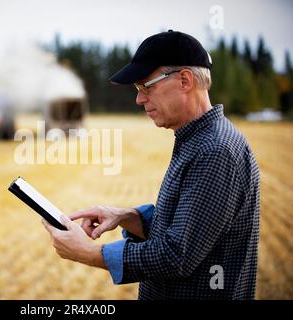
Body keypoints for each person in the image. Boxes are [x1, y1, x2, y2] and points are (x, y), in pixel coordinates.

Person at [41, 30, 260, 300]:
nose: (139, 99)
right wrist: (127, 217)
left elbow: (176, 255)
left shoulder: (215, 151)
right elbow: (191, 224)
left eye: (146, 86)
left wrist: (89, 253)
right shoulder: (200, 140)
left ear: (184, 80)